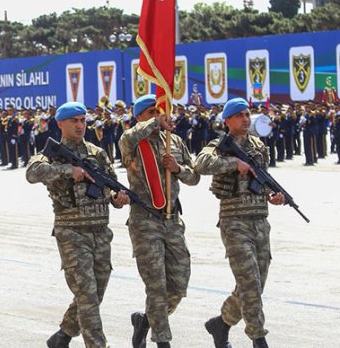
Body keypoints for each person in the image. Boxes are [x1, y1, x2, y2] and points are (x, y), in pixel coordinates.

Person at [26, 101, 129, 348]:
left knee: (96, 293)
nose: (80, 125)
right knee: (87, 296)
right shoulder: (51, 154)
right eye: (74, 121)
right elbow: (32, 172)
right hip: (72, 233)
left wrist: (119, 199)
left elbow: (111, 186)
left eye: (83, 120)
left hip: (101, 233)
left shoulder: (97, 153)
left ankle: (63, 336)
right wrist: (67, 170)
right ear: (60, 123)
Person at [193, 98, 286, 348]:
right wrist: (234, 163)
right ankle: (258, 338)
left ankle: (221, 324)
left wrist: (273, 196)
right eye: (239, 115)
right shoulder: (219, 145)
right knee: (250, 283)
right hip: (234, 223)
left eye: (247, 114)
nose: (246, 119)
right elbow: (200, 164)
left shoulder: (258, 146)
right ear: (228, 121)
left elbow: (262, 180)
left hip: (259, 221)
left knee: (255, 285)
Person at [118, 95, 200, 348]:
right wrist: (156, 123)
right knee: (156, 286)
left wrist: (177, 169)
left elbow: (194, 176)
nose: (158, 114)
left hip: (173, 221)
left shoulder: (173, 142)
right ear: (140, 116)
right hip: (145, 221)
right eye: (152, 111)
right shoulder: (131, 140)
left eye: (160, 110)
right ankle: (162, 341)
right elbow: (130, 137)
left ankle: (145, 322)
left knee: (178, 285)